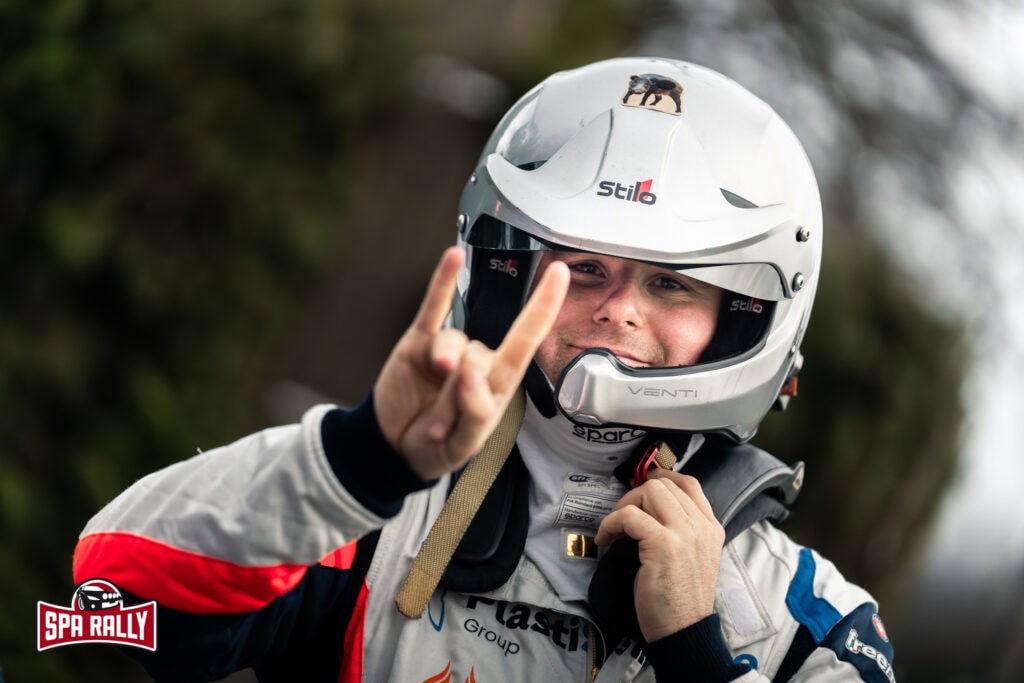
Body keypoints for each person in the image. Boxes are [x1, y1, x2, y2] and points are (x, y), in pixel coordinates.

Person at [74, 57, 896, 682]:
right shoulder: (366, 506)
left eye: (670, 283)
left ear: (743, 319)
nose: (618, 309)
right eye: (583, 267)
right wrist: (358, 459)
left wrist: (697, 654)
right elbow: (106, 599)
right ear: (510, 278)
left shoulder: (812, 623)